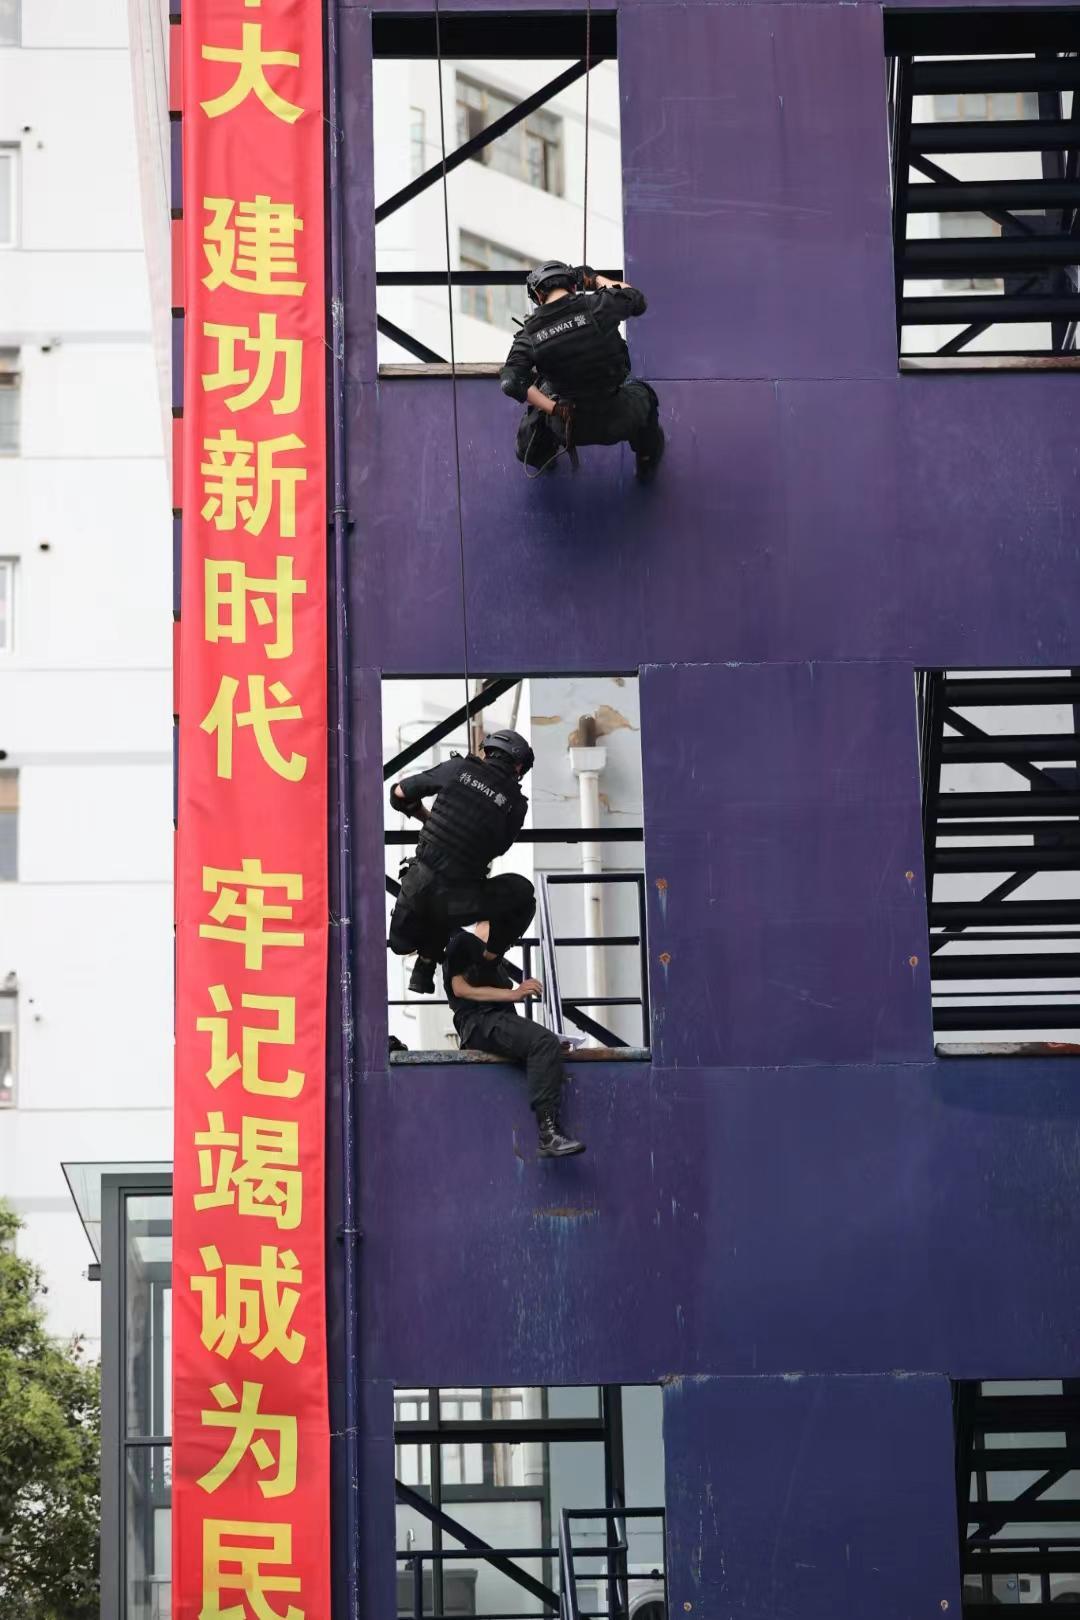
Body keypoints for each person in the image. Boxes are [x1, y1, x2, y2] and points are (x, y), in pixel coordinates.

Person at [388, 728, 536, 996]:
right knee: (523, 896)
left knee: (403, 941)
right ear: (518, 766)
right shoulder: (516, 804)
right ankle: (487, 963)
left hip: (416, 893)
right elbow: (499, 848)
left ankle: (425, 963)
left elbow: (399, 793)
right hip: (458, 903)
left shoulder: (458, 769)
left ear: (487, 751)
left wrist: (428, 819)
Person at [499, 260, 665, 481]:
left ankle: (542, 458)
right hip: (619, 416)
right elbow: (636, 299)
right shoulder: (599, 305)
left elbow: (511, 382)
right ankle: (646, 460)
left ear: (538, 295)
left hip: (569, 427)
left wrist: (555, 409)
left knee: (539, 404)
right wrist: (594, 278)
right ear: (573, 286)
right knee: (646, 397)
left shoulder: (530, 334)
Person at [444, 923, 585, 1157]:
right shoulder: (462, 943)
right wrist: (514, 993)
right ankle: (548, 1134)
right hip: (479, 1022)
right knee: (543, 1042)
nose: (509, 942)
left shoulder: (494, 962)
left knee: (546, 1043)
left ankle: (549, 1132)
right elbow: (459, 988)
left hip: (492, 1021)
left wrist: (550, 1048)